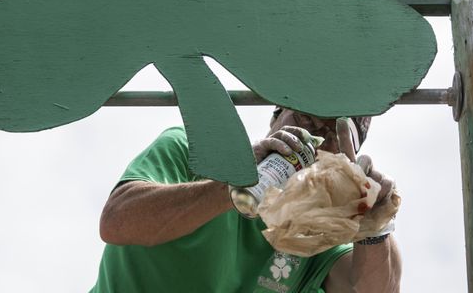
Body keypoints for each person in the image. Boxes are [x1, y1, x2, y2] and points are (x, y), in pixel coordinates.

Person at [90, 107, 400, 292]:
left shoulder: (324, 234)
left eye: (334, 133)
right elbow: (117, 221)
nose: (314, 138)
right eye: (305, 117)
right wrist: (232, 186)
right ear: (276, 118)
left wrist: (374, 227)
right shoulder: (192, 153)